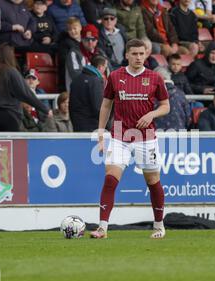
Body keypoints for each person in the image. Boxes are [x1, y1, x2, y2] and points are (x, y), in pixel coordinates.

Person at [92, 39, 170, 239]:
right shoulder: (116, 76)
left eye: (141, 54)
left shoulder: (155, 78)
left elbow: (165, 106)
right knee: (110, 178)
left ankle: (159, 225)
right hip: (120, 135)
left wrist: (152, 114)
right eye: (134, 53)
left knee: (153, 181)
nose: (138, 57)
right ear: (127, 54)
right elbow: (106, 105)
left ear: (146, 55)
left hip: (146, 138)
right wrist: (101, 131)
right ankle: (102, 227)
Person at [0, 44, 52, 131]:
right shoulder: (11, 71)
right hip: (8, 115)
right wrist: (45, 109)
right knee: (10, 144)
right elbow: (26, 94)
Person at [70, 55, 108, 132]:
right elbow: (97, 106)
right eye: (105, 67)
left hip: (77, 122)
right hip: (91, 126)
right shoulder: (95, 81)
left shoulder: (77, 79)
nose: (105, 70)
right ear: (100, 67)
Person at [153, 66, 191, 131]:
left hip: (157, 134)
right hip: (179, 133)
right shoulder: (180, 94)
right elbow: (188, 117)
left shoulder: (151, 95)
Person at [57, 17, 82, 91]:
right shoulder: (64, 44)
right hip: (70, 77)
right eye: (70, 29)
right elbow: (64, 61)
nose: (73, 31)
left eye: (75, 28)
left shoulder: (86, 41)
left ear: (80, 27)